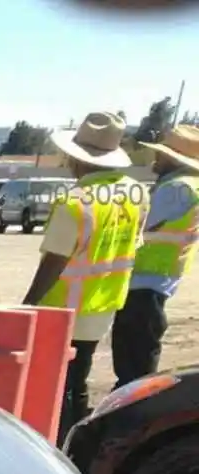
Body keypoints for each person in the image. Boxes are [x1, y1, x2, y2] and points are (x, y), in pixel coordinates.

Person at [20, 112, 146, 442]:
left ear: (77, 159)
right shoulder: (136, 194)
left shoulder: (76, 201)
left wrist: (28, 304)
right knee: (78, 381)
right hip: (104, 303)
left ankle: (61, 446)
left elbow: (55, 262)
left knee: (55, 385)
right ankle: (79, 442)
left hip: (64, 309)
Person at [112, 123, 199, 386]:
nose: (155, 158)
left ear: (173, 158)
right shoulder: (189, 184)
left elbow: (141, 226)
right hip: (158, 279)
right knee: (138, 359)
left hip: (145, 282)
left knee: (133, 369)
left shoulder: (176, 188)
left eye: (161, 154)